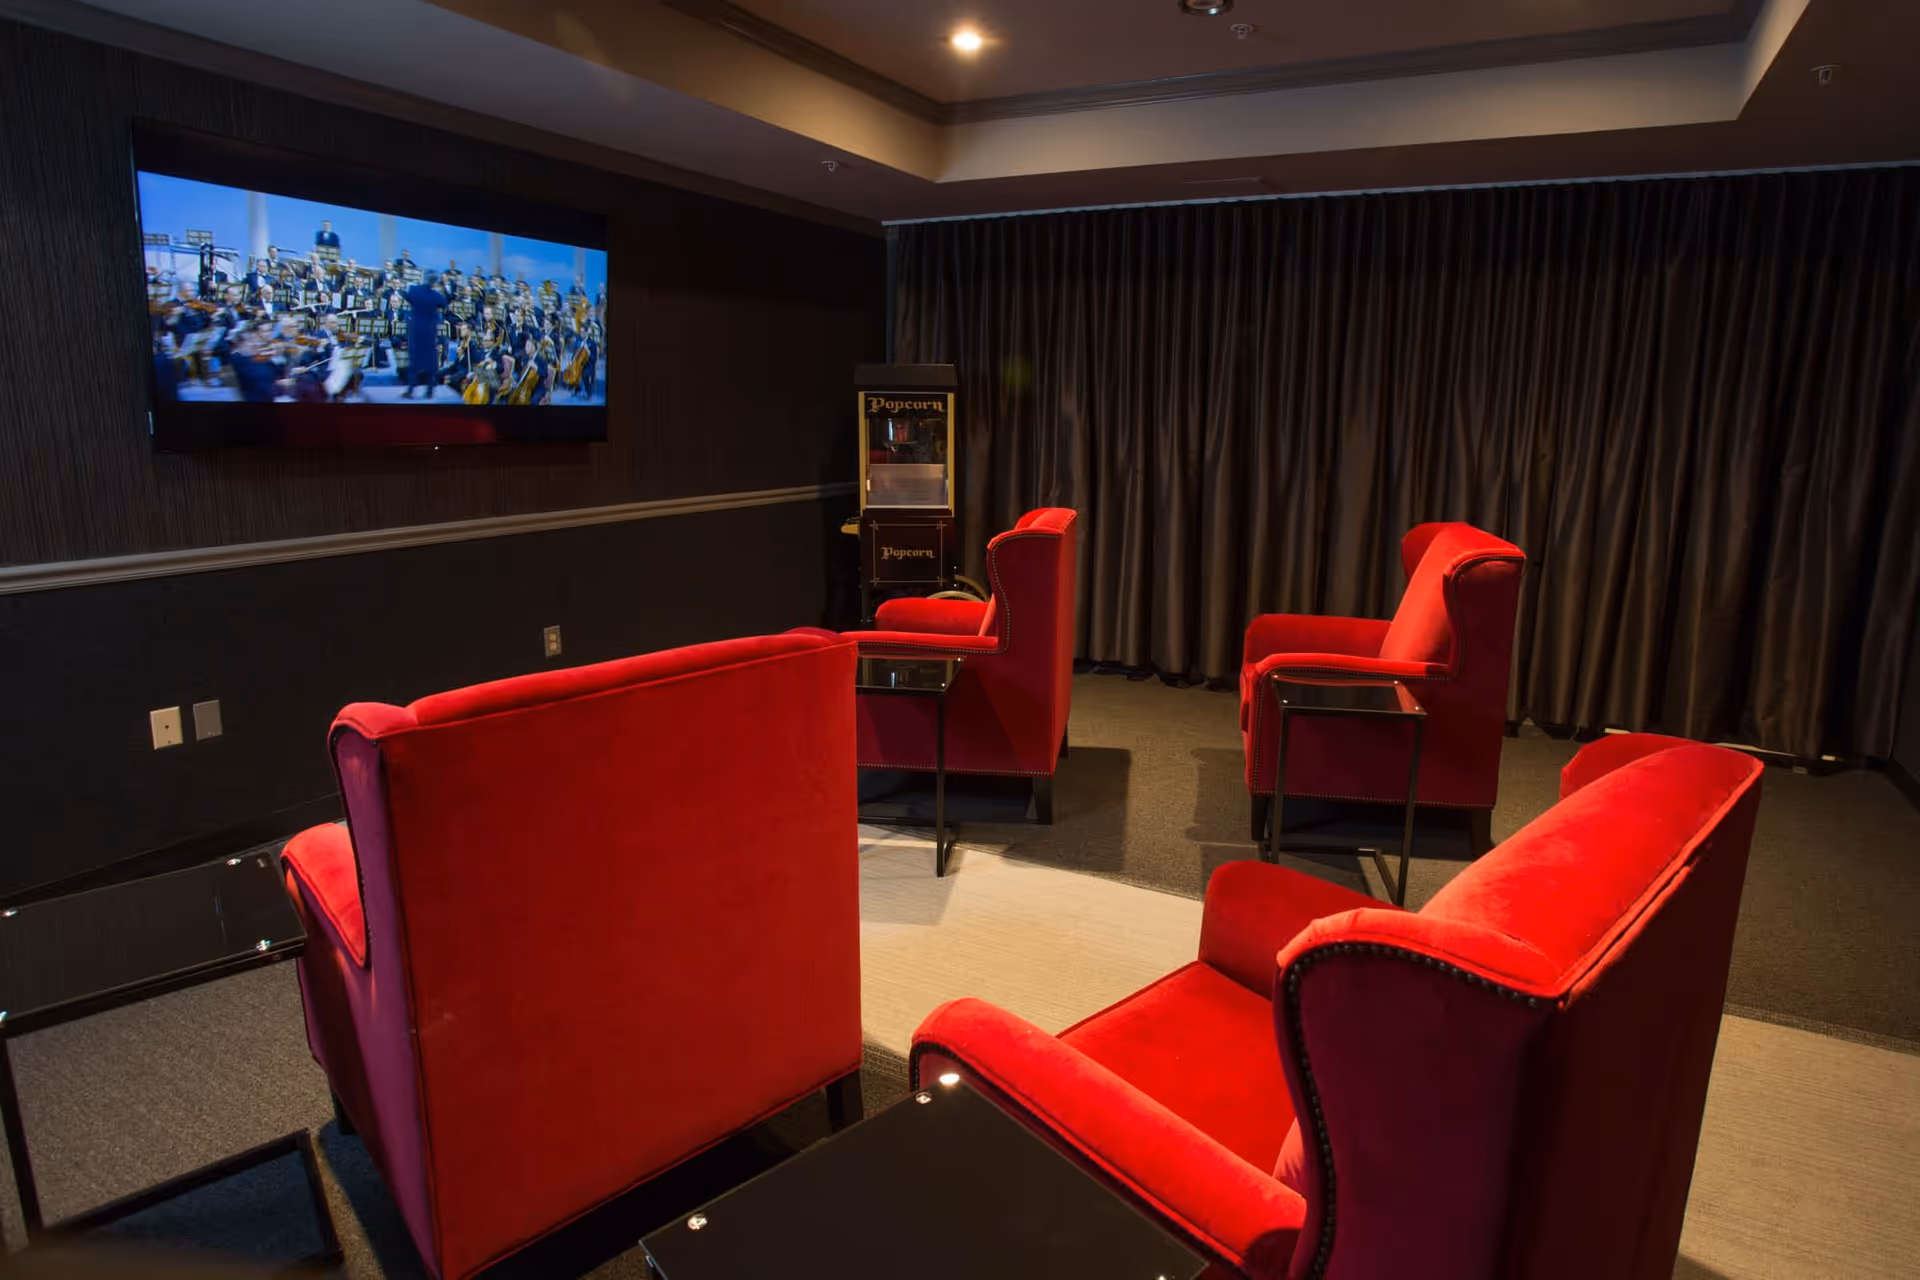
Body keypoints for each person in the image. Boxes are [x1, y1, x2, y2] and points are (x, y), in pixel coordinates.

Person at [402, 271, 449, 399]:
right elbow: (445, 303)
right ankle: (429, 390)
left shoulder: (414, 291)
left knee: (414, 361)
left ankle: (411, 389)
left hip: (416, 330)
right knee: (430, 362)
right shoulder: (437, 296)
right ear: (434, 282)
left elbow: (407, 296)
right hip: (429, 331)